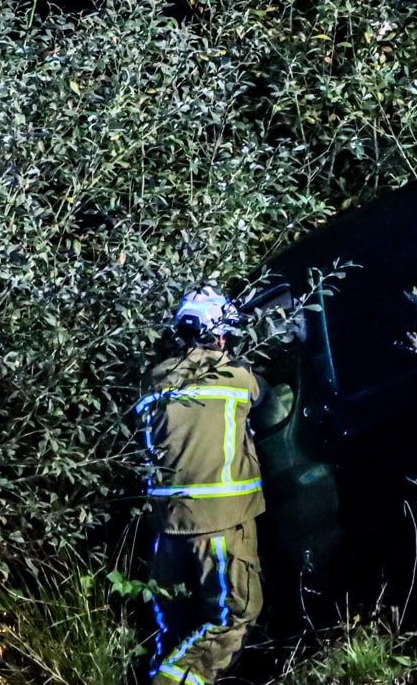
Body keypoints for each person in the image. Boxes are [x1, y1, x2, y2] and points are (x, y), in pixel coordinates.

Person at [138, 286, 265, 685]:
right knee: (234, 615)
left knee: (174, 626)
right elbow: (263, 393)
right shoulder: (234, 377)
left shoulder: (155, 382)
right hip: (220, 522)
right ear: (222, 332)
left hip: (166, 529)